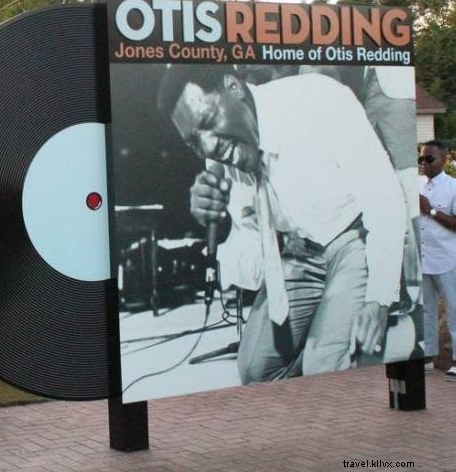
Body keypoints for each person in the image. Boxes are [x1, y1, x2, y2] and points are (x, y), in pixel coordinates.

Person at [157, 64, 408, 381]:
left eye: (207, 121)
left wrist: (379, 299)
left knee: (326, 368)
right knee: (255, 371)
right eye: (193, 141)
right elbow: (252, 267)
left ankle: (379, 341)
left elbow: (383, 199)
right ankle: (334, 342)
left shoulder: (319, 99)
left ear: (234, 88)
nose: (207, 147)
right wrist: (223, 231)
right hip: (296, 250)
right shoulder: (220, 156)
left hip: (353, 237)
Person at [417, 141, 456, 380]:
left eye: (429, 159)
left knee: (454, 309)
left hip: (447, 258)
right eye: (421, 159)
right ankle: (428, 356)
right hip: (423, 258)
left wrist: (431, 211)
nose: (424, 164)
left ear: (444, 159)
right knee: (426, 310)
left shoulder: (453, 187)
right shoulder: (416, 184)